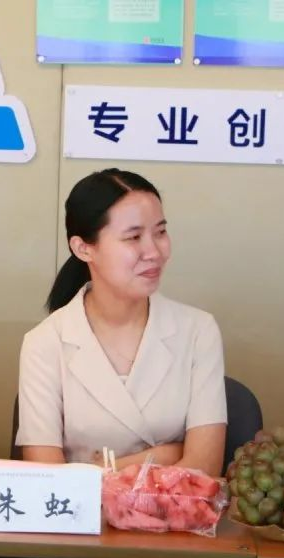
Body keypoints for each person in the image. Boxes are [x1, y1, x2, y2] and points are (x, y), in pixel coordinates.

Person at [15, 168, 227, 476]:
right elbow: (48, 479)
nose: (154, 252)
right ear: (83, 248)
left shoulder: (198, 331)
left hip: (175, 508)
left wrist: (95, 469)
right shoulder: (44, 343)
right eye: (133, 237)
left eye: (160, 232)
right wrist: (164, 455)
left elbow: (204, 467)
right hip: (84, 510)